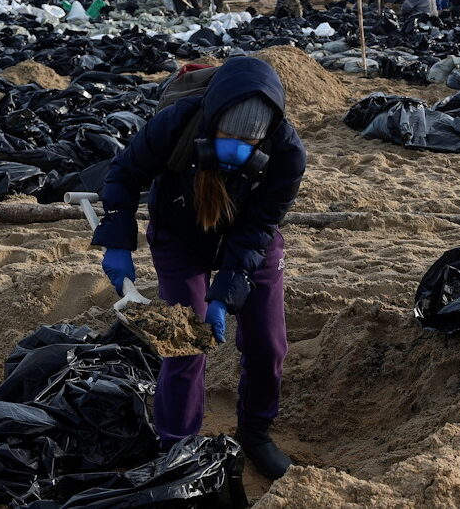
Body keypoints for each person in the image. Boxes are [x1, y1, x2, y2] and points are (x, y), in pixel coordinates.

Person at [94, 56, 306, 480]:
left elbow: (260, 225)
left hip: (247, 238)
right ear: (212, 121)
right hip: (178, 232)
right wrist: (118, 240)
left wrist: (227, 288)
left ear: (263, 141)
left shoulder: (287, 153)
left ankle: (256, 433)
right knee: (186, 343)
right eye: (228, 138)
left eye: (248, 145)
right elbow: (124, 174)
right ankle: (176, 444)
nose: (235, 151)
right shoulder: (178, 123)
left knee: (268, 343)